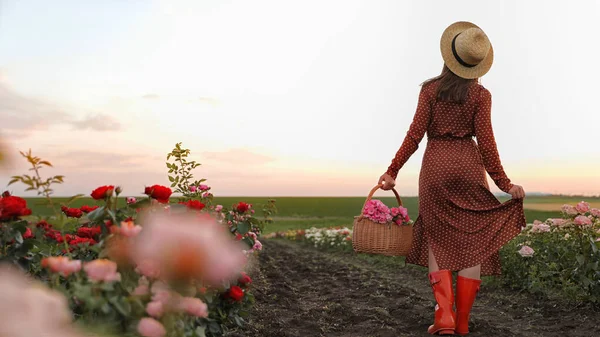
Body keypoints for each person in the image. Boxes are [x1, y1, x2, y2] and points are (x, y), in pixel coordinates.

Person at [378, 21, 526, 336]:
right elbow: (487, 144)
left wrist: (392, 171)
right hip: (469, 167)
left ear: (449, 56)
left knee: (437, 240)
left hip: (435, 168)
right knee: (471, 243)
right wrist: (505, 184)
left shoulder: (430, 90)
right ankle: (462, 323)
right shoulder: (481, 95)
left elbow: (414, 135)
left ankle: (444, 317)